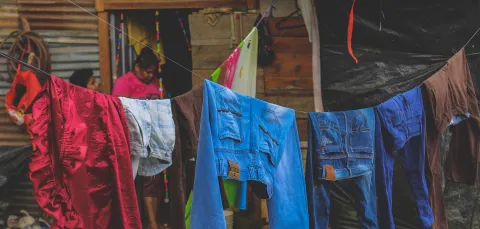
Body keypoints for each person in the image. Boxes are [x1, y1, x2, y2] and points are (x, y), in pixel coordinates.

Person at [112, 47, 168, 229]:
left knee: (154, 180)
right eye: (146, 71)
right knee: (131, 183)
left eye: (152, 71)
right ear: (137, 66)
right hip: (132, 141)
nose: (149, 75)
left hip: (154, 140)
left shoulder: (157, 84)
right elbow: (118, 112)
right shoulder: (124, 83)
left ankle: (153, 222)